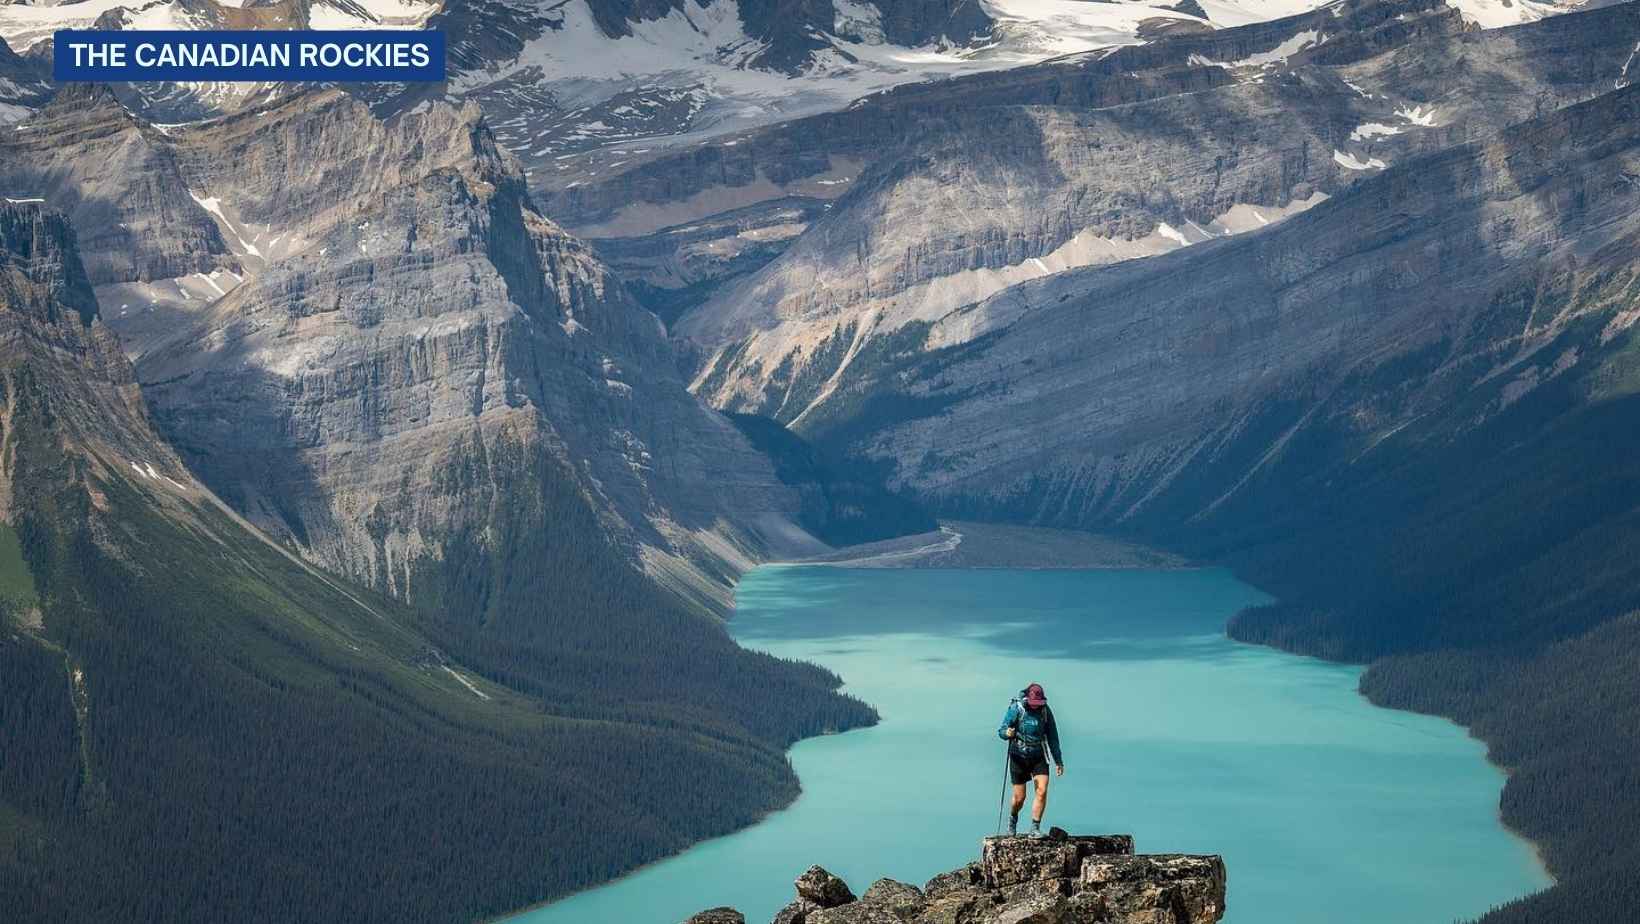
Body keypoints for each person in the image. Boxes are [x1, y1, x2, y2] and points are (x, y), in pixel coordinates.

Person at [997, 682, 1064, 837]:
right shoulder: (1016, 709)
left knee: (1042, 790)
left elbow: (1053, 736)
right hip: (1018, 755)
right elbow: (1001, 730)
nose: (1035, 706)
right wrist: (1007, 733)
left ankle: (1035, 827)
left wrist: (1058, 760)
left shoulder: (1045, 711)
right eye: (1033, 703)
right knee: (1019, 798)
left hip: (1038, 754)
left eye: (1038, 704)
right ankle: (1012, 820)